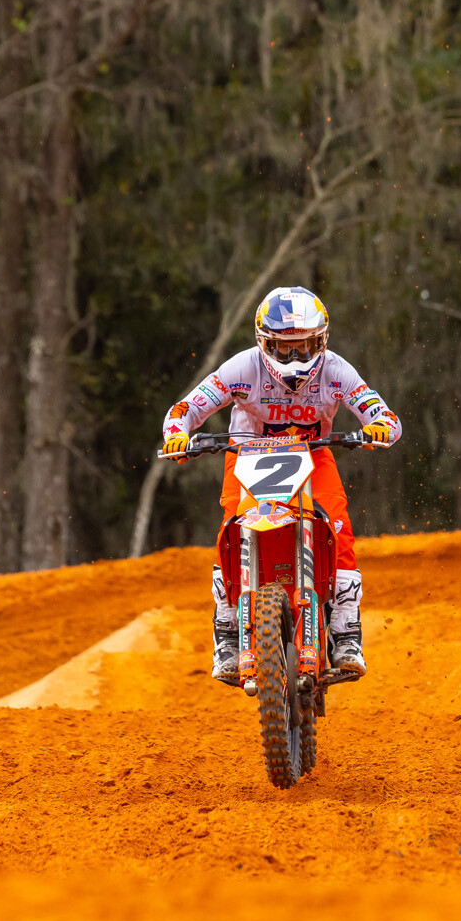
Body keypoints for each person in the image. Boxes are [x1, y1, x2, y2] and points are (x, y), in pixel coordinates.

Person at [159, 286, 400, 684]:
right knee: (233, 532)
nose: (296, 358)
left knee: (337, 529)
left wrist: (376, 428)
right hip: (248, 455)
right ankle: (228, 637)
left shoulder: (337, 370)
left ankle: (345, 632)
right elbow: (185, 409)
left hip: (312, 454)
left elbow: (385, 415)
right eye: (285, 348)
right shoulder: (242, 367)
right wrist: (177, 435)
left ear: (321, 341)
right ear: (264, 343)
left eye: (305, 346)